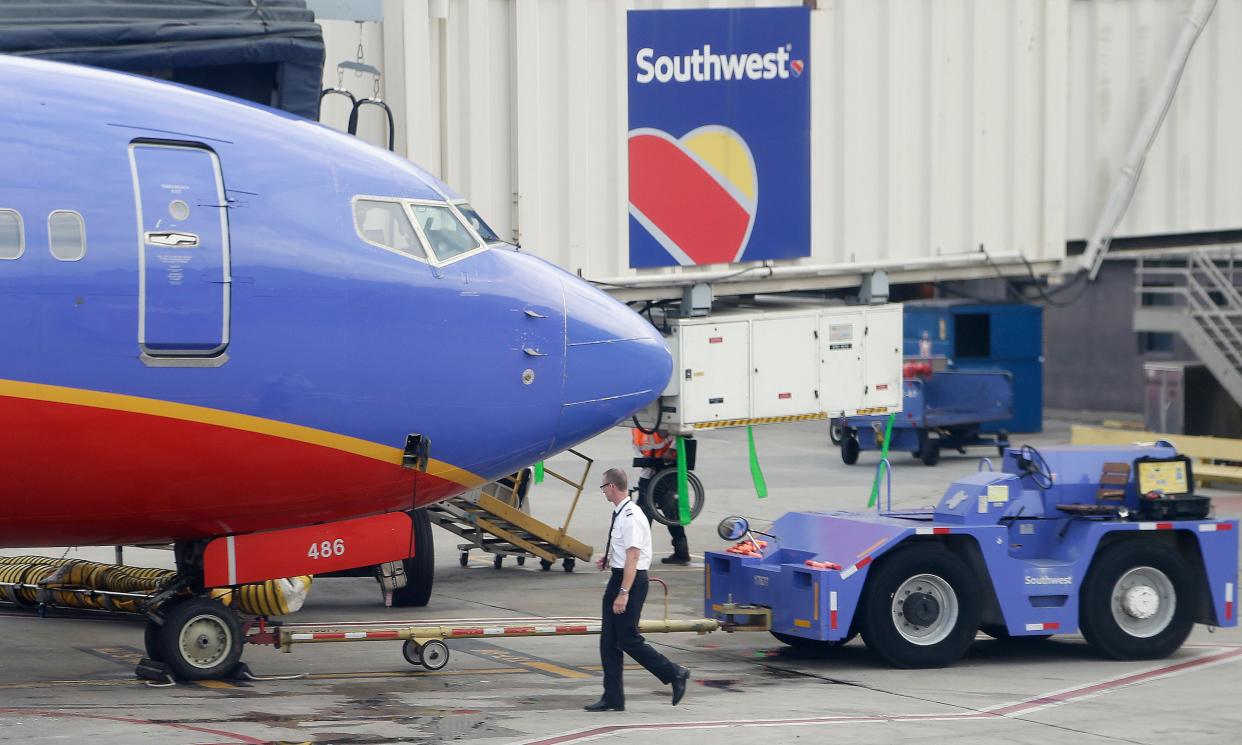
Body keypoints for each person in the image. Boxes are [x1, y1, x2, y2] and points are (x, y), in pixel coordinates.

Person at [585, 467, 690, 712]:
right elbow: (624, 552)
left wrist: (624, 593)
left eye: (603, 487)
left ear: (611, 486)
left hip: (630, 581)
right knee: (608, 641)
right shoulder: (621, 512)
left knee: (628, 639)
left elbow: (633, 557)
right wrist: (609, 558)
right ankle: (613, 697)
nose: (603, 492)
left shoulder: (631, 515)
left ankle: (675, 673)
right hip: (619, 576)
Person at [631, 428, 691, 565]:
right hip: (649, 469)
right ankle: (681, 553)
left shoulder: (654, 421)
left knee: (668, 512)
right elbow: (639, 448)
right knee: (645, 513)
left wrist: (672, 450)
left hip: (667, 470)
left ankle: (680, 552)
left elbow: (685, 432)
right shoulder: (636, 427)